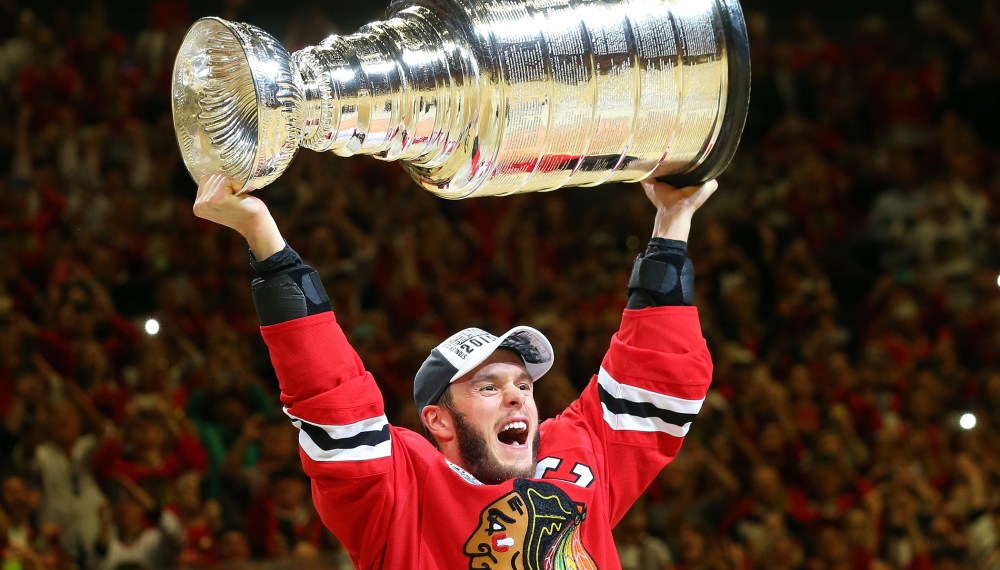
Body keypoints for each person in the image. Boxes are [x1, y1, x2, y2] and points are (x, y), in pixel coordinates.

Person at [192, 172, 717, 569]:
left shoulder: (575, 452)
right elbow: (335, 405)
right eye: (488, 386)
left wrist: (672, 226)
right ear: (438, 421)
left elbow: (658, 378)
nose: (517, 397)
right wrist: (265, 240)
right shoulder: (402, 494)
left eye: (523, 384)